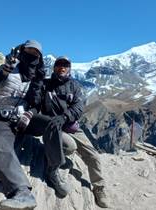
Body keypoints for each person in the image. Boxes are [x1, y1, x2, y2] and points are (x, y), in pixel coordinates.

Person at [0, 40, 68, 210]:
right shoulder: (8, 67)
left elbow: (36, 104)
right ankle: (22, 193)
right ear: (22, 51)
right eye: (29, 51)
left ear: (39, 57)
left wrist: (30, 114)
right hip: (4, 120)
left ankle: (53, 169)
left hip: (26, 120)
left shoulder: (38, 77)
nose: (32, 55)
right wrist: (4, 71)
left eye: (36, 53)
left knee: (52, 124)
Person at [40, 56, 110, 208]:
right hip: (53, 127)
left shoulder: (74, 86)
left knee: (94, 156)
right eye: (59, 65)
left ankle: (99, 189)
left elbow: (79, 108)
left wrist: (65, 117)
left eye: (65, 65)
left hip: (71, 126)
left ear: (69, 68)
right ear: (54, 68)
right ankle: (51, 161)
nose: (62, 67)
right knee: (70, 147)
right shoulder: (45, 84)